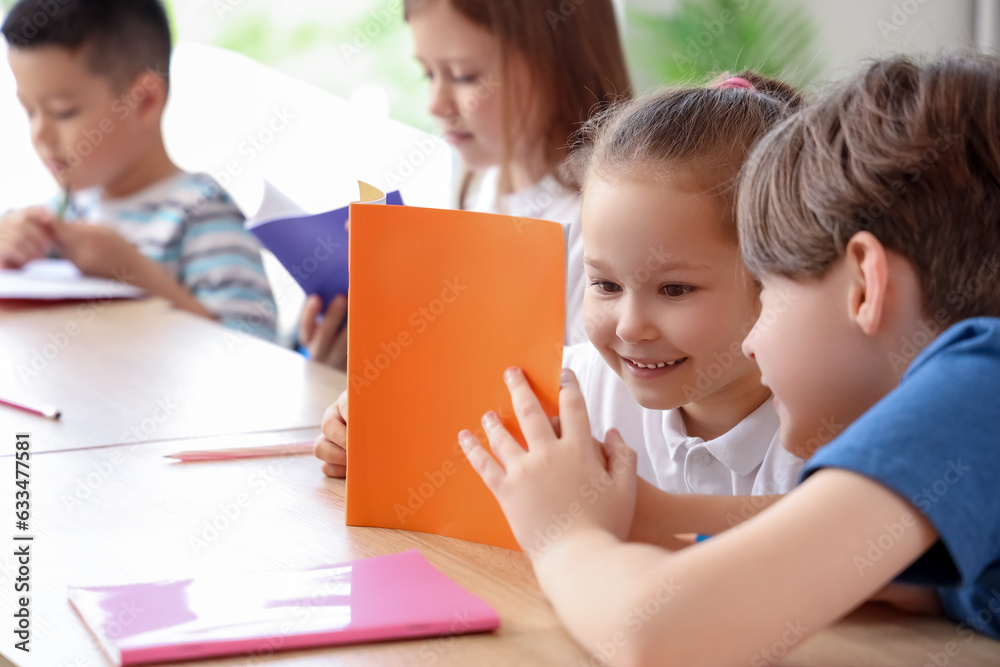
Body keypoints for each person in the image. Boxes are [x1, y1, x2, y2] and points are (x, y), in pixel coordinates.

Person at [458, 55, 1000, 664]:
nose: (752, 340)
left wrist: (566, 538)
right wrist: (661, 513)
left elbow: (656, 633)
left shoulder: (981, 388)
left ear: (864, 288)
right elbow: (860, 563)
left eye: (768, 292)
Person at [315, 73, 807, 548]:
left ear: (780, 276)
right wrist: (365, 429)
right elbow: (435, 430)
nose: (630, 326)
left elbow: (847, 536)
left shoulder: (824, 422)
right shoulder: (573, 387)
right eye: (605, 284)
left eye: (675, 289)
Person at [298, 0, 633, 367]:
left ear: (559, 62)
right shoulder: (487, 191)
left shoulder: (600, 230)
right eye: (428, 74)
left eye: (463, 76)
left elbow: (591, 399)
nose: (436, 104)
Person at [0, 0, 277, 341]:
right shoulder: (66, 211)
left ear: (144, 101)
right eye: (29, 111)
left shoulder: (202, 215)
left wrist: (132, 273)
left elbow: (256, 352)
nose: (40, 134)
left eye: (63, 112)